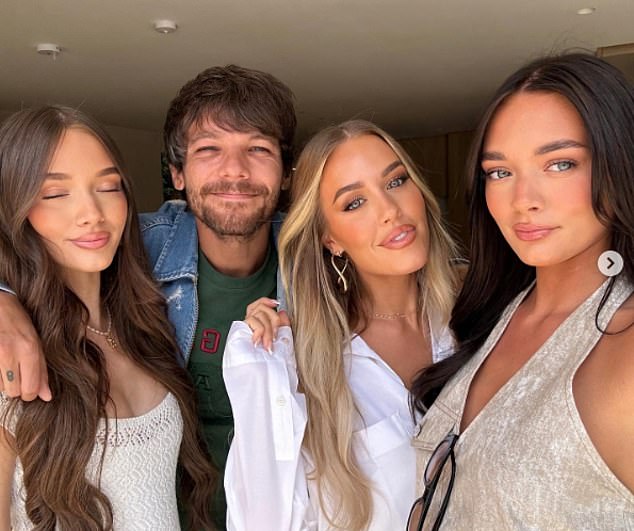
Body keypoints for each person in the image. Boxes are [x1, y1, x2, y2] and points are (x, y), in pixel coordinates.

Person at [0, 64, 296, 529]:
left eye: (257, 149)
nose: (234, 170)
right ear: (176, 172)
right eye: (209, 149)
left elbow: (423, 268)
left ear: (285, 174)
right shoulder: (145, 248)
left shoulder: (319, 263)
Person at [408, 53, 634, 531]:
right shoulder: (493, 312)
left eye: (560, 164)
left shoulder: (624, 343)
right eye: (500, 172)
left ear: (620, 163)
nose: (523, 199)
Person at [222, 119, 461, 530]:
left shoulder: (483, 324)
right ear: (329, 238)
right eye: (354, 203)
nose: (390, 211)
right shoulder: (301, 368)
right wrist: (265, 364)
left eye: (396, 181)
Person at [0, 106, 216, 529]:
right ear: (15, 206)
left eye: (108, 186)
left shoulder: (146, 324)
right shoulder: (12, 350)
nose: (91, 213)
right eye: (55, 194)